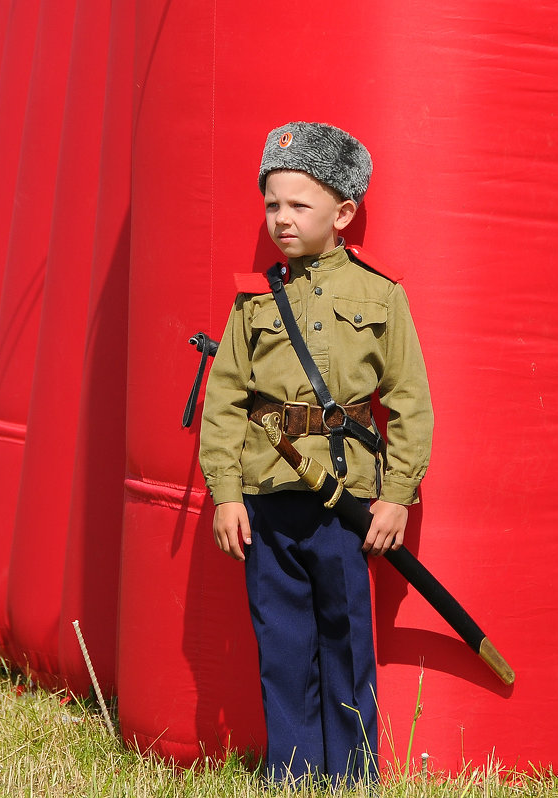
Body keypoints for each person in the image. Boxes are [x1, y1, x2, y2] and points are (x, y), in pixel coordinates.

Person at [199, 121, 433, 788]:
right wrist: (225, 494)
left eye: (299, 204)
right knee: (282, 646)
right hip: (269, 503)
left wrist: (397, 496)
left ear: (344, 211)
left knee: (347, 642)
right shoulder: (252, 303)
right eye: (273, 204)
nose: (282, 219)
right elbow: (224, 404)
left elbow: (411, 402)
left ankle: (353, 779)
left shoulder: (381, 296)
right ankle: (292, 777)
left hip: (346, 505)